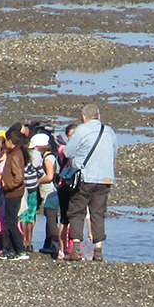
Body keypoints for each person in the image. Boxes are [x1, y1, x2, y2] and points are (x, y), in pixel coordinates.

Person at [65, 104, 117, 261]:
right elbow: (115, 151)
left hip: (85, 178)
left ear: (83, 117)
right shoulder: (109, 132)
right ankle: (98, 251)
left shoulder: (81, 130)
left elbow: (68, 152)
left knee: (76, 211)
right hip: (105, 178)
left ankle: (75, 248)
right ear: (99, 116)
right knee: (98, 213)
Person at [0, 127, 30, 260]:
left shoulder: (16, 154)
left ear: (10, 141)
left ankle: (21, 251)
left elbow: (19, 177)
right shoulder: (14, 153)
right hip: (11, 193)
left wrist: (7, 185)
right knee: (10, 221)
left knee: (11, 222)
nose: (5, 144)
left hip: (14, 192)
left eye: (6, 142)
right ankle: (11, 251)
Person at [27, 133, 60, 258]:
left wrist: (37, 181)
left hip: (49, 193)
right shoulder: (52, 157)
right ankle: (49, 245)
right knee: (51, 219)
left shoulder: (47, 159)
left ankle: (56, 245)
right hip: (53, 192)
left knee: (51, 220)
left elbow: (50, 176)